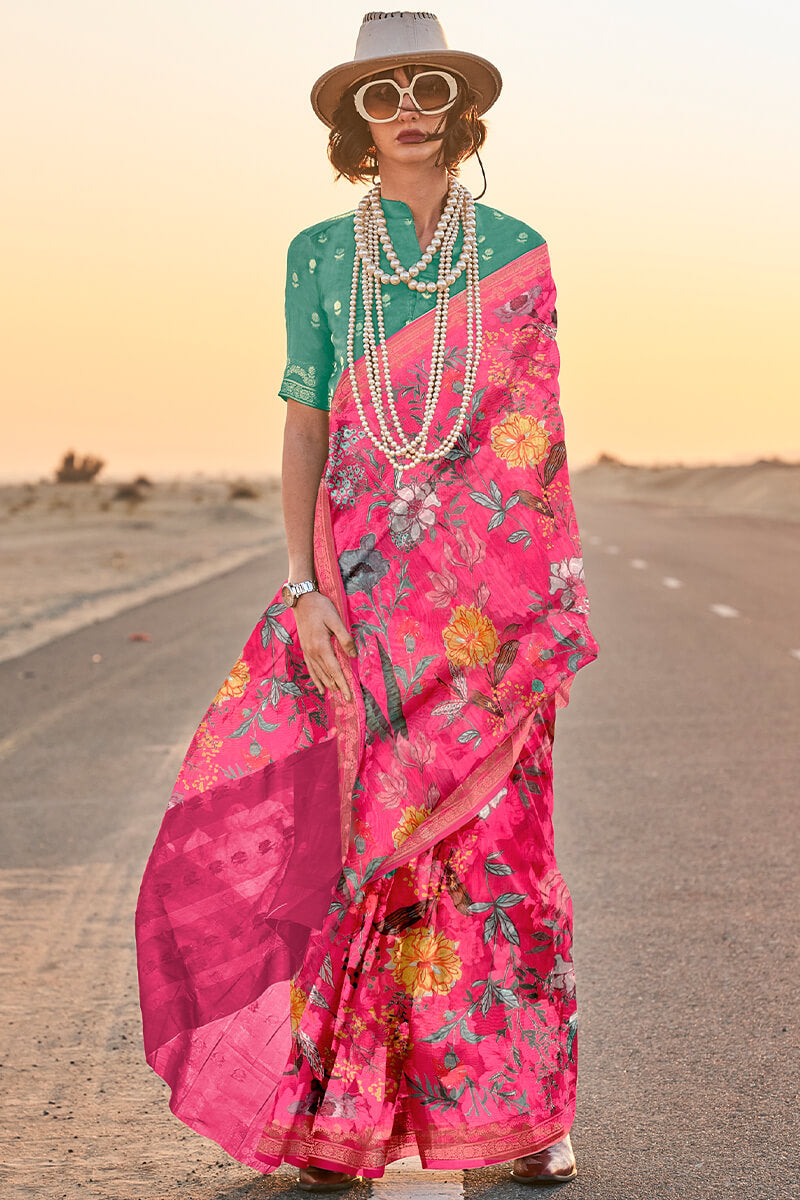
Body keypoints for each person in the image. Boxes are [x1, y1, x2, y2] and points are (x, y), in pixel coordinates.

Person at [135, 11, 599, 1193]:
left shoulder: (517, 251)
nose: (407, 109)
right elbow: (305, 426)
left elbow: (531, 446)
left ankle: (522, 1117)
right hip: (364, 597)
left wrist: (526, 613)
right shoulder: (317, 255)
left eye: (427, 86)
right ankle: (336, 1124)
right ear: (355, 117)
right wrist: (302, 588)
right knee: (355, 858)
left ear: (458, 106)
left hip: (486, 610)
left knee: (498, 850)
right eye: (383, 92)